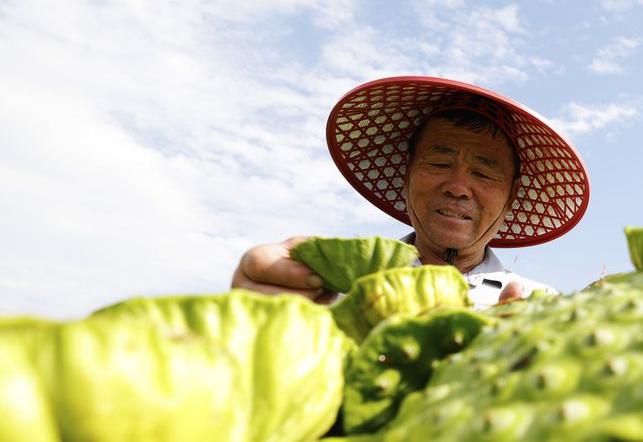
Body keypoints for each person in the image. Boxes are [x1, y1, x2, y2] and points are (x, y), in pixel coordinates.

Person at [231, 76, 589, 308]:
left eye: (483, 173)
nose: (459, 187)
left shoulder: (542, 305)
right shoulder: (340, 288)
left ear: (510, 200)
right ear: (408, 175)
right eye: (438, 163)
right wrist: (261, 315)